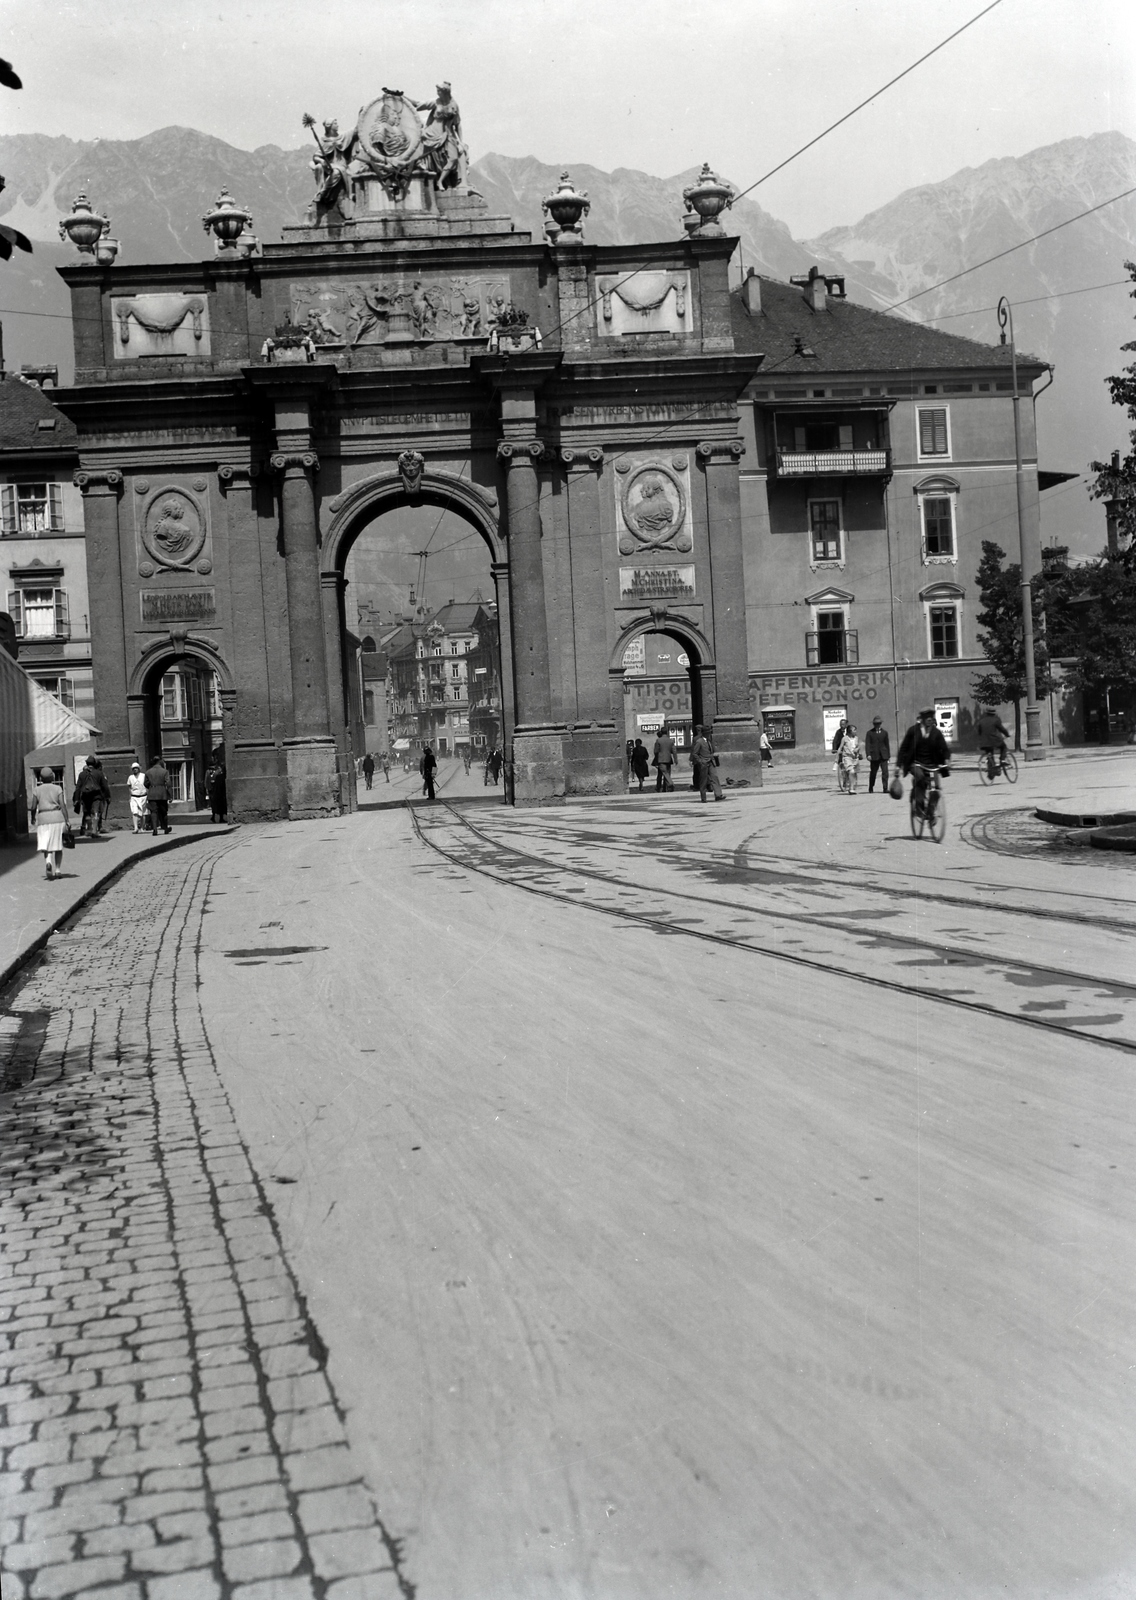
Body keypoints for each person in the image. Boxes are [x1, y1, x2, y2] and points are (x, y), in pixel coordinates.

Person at [896, 707, 951, 814]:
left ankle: (931, 811)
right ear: (922, 719)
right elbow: (903, 748)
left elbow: (945, 749)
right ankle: (918, 806)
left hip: (932, 764)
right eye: (927, 717)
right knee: (920, 778)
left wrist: (947, 760)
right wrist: (898, 766)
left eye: (931, 717)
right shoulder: (913, 731)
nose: (929, 719)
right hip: (915, 763)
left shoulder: (936, 732)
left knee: (936, 789)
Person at [31, 767, 69, 880]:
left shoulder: (36, 790)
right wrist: (67, 820)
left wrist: (33, 817)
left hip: (43, 819)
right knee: (58, 845)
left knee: (46, 844)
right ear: (52, 776)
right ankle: (58, 870)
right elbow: (63, 805)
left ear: (41, 778)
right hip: (57, 817)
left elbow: (33, 806)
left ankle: (48, 862)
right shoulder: (57, 788)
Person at [73, 755, 110, 836]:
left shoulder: (82, 774)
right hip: (96, 796)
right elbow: (105, 786)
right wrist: (107, 796)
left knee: (87, 813)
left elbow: (78, 787)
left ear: (86, 763)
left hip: (85, 796)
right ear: (94, 763)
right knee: (96, 812)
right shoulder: (99, 773)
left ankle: (88, 830)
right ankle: (94, 831)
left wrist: (76, 799)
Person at [690, 724, 723, 802]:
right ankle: (703, 797)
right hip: (704, 763)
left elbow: (712, 750)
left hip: (711, 762)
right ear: (704, 733)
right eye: (708, 733)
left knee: (714, 777)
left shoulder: (709, 741)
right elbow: (695, 753)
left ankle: (718, 795)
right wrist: (700, 761)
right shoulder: (699, 742)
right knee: (703, 780)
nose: (709, 734)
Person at [144, 756, 172, 835]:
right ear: (160, 761)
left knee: (153, 811)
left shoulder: (148, 772)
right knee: (164, 811)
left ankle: (155, 829)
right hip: (162, 793)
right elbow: (168, 783)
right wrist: (170, 795)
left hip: (152, 793)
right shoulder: (165, 771)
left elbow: (145, 783)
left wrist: (152, 787)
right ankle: (165, 828)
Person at [864, 716, 891, 794]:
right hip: (874, 756)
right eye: (876, 724)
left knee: (885, 772)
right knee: (873, 772)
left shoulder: (884, 733)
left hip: (884, 755)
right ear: (873, 724)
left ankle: (885, 788)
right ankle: (871, 787)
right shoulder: (869, 733)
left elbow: (887, 744)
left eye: (879, 724)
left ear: (881, 724)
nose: (877, 725)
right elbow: (868, 744)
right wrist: (868, 754)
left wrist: (888, 756)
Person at [838, 723, 862, 794]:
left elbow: (858, 746)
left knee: (854, 772)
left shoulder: (856, 738)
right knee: (851, 771)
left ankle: (851, 785)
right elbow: (840, 747)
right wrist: (838, 755)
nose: (856, 731)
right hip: (847, 757)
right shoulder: (844, 738)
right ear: (850, 731)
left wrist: (857, 749)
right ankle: (851, 789)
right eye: (854, 730)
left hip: (855, 758)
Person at [652, 725, 677, 792]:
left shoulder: (658, 740)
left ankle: (670, 783)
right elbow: (674, 751)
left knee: (664, 773)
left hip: (661, 759)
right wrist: (675, 759)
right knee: (666, 773)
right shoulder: (670, 740)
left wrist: (656, 760)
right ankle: (664, 788)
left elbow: (656, 751)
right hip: (668, 759)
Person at [127, 761, 148, 834]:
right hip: (134, 797)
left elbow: (147, 785)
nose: (135, 769)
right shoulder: (130, 777)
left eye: (136, 768)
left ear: (139, 769)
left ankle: (142, 827)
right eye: (133, 768)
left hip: (143, 796)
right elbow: (129, 787)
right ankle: (135, 827)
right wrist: (130, 796)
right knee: (135, 812)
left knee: (143, 813)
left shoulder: (143, 776)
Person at [204, 759, 227, 823]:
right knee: (217, 804)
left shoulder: (211, 772)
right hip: (216, 791)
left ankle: (214, 816)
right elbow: (207, 781)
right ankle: (217, 817)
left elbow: (206, 782)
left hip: (214, 790)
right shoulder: (218, 772)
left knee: (214, 804)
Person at [831, 717, 848, 790]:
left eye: (843, 724)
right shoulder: (838, 732)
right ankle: (837, 764)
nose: (842, 725)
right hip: (841, 749)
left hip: (848, 749)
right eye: (841, 724)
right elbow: (835, 740)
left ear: (846, 724)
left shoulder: (849, 731)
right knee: (840, 761)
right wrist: (834, 748)